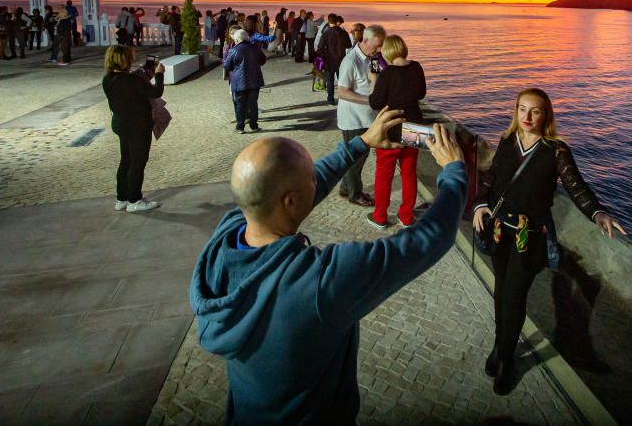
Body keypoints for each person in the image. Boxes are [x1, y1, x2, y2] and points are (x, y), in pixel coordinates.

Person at [190, 110, 465, 424]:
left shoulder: (225, 236)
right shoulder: (320, 283)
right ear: (290, 201)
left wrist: (359, 144)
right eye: (310, 179)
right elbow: (431, 238)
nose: (316, 181)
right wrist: (454, 170)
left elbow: (289, 190)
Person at [472, 88, 627, 395]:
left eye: (535, 111)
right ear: (515, 112)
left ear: (546, 115)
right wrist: (479, 204)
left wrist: (598, 213)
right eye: (522, 110)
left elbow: (576, 187)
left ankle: (506, 359)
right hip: (500, 233)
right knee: (501, 292)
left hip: (529, 238)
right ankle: (499, 343)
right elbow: (490, 180)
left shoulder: (555, 151)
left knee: (514, 296)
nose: (527, 117)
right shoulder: (506, 142)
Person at [367, 35, 427, 230]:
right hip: (414, 126)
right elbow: (421, 93)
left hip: (392, 127)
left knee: (384, 173)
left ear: (388, 51)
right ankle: (406, 216)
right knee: (409, 172)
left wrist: (374, 80)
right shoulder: (417, 67)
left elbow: (375, 102)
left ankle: (380, 216)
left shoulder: (387, 74)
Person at [102, 45, 166, 212]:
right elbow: (156, 92)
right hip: (138, 125)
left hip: (121, 123)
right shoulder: (133, 81)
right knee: (138, 162)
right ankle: (135, 200)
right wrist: (159, 74)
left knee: (126, 160)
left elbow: (131, 91)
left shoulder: (108, 79)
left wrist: (144, 74)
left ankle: (122, 197)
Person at [333, 23, 385, 207]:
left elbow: (375, 82)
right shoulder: (350, 61)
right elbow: (342, 92)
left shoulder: (372, 58)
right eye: (376, 45)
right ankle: (355, 193)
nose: (378, 50)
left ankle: (346, 187)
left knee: (361, 156)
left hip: (368, 118)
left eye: (381, 46)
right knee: (354, 158)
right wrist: (370, 100)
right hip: (353, 119)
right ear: (365, 40)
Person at [224, 29, 267, 134]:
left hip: (239, 81)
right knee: (253, 104)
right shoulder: (255, 48)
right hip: (254, 80)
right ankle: (254, 126)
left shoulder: (233, 50)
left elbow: (227, 66)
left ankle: (240, 127)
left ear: (237, 39)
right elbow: (263, 60)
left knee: (240, 104)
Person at [317, 14, 351, 106]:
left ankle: (330, 100)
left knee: (330, 80)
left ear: (328, 21)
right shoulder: (343, 32)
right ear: (336, 21)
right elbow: (349, 45)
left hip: (329, 60)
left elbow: (319, 47)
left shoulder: (326, 33)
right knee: (342, 81)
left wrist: (320, 60)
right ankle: (343, 98)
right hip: (341, 60)